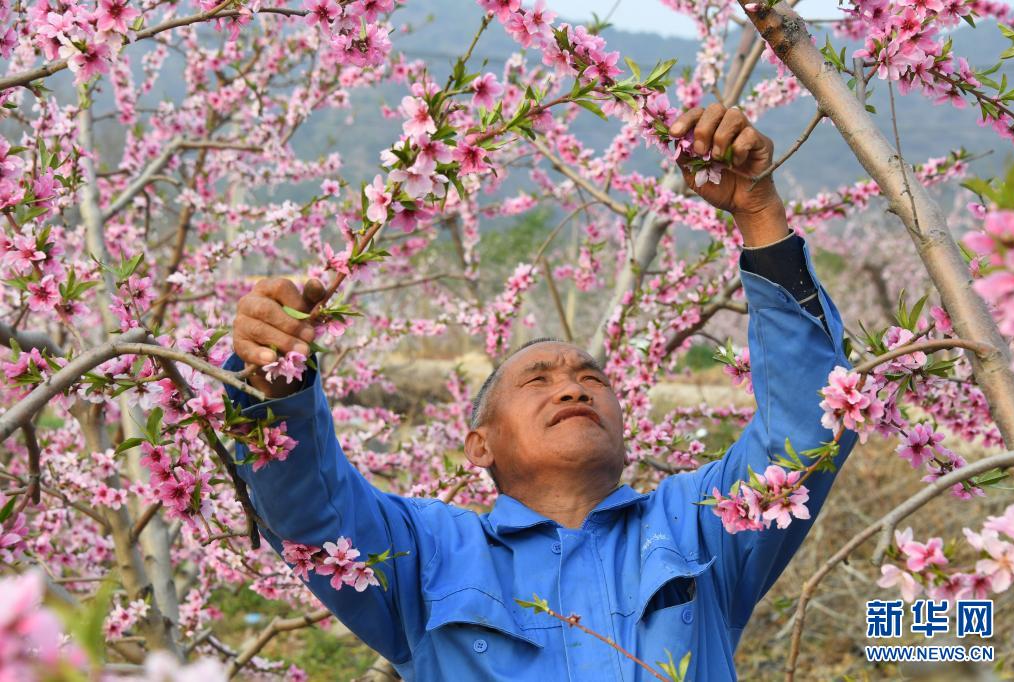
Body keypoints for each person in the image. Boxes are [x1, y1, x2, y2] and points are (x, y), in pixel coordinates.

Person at [222, 103, 858, 681]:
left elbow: (810, 426)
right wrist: (275, 381)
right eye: (539, 380)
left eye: (592, 378)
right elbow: (311, 512)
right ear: (479, 445)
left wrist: (759, 214)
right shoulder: (430, 553)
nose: (573, 390)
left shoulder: (697, 528)